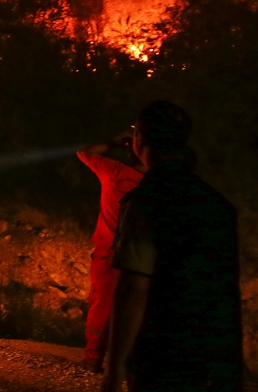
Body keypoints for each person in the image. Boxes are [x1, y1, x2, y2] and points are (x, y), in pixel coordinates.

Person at [101, 101, 243, 392]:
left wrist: (114, 370)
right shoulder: (218, 205)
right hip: (216, 357)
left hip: (163, 358)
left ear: (139, 141)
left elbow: (133, 288)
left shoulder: (146, 201)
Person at [77, 132, 145, 373]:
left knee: (102, 305)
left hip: (108, 252)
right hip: (141, 256)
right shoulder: (157, 184)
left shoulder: (114, 171)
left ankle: (94, 357)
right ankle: (129, 363)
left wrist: (113, 143)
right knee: (137, 307)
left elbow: (84, 152)